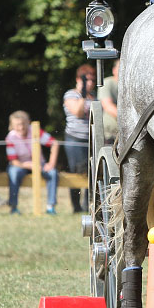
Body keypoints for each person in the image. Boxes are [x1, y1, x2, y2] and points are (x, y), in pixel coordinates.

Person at [5, 111, 60, 215]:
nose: (21, 127)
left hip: (40, 163)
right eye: (17, 125)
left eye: (23, 124)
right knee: (14, 173)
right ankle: (13, 207)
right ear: (12, 125)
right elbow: (13, 161)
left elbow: (54, 143)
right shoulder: (10, 137)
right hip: (20, 165)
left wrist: (51, 163)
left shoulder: (35, 131)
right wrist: (31, 165)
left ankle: (50, 207)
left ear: (28, 122)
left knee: (52, 173)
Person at [63, 64, 96, 213]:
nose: (89, 83)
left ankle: (87, 204)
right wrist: (82, 95)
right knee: (76, 171)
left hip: (90, 138)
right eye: (86, 80)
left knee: (92, 172)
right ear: (78, 79)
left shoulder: (94, 96)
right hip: (74, 140)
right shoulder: (71, 94)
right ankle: (76, 206)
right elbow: (77, 112)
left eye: (91, 80)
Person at [100, 60, 119, 145]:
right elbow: (107, 105)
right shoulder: (107, 83)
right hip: (110, 135)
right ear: (114, 70)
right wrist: (125, 119)